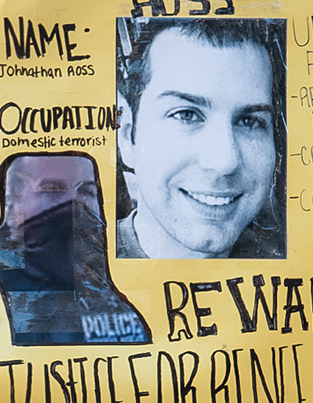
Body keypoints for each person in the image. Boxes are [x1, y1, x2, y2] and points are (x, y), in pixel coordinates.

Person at [113, 19, 284, 260]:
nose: (225, 162)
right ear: (127, 136)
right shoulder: (71, 272)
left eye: (249, 121)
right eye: (186, 114)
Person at [0, 151, 149, 346]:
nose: (74, 205)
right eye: (53, 190)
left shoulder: (110, 297)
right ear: (13, 201)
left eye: (86, 191)